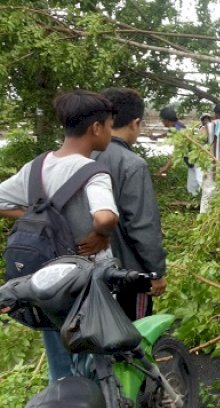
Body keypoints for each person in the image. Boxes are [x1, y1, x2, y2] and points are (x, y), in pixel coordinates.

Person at [0, 90, 118, 381]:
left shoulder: (36, 166)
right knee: (95, 363)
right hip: (85, 285)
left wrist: (40, 219)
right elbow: (105, 215)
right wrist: (101, 233)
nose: (110, 133)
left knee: (61, 370)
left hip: (44, 281)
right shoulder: (94, 172)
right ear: (96, 128)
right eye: (110, 126)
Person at [93, 88, 167, 320]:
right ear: (135, 123)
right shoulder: (132, 164)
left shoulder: (85, 154)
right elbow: (142, 225)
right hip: (128, 272)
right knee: (134, 334)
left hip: (91, 269)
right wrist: (155, 272)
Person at [155, 108, 205, 196]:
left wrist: (165, 168)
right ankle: (196, 205)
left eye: (162, 120)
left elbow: (176, 154)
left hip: (198, 162)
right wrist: (157, 137)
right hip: (192, 163)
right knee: (192, 189)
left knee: (204, 187)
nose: (162, 122)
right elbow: (169, 133)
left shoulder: (178, 130)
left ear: (166, 120)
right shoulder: (176, 126)